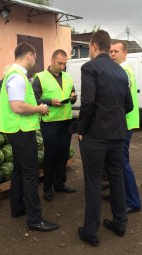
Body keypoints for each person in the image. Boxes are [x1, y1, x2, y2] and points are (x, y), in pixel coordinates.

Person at [0, 42, 59, 232]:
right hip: (21, 131)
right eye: (35, 57)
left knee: (19, 171)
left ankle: (18, 208)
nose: (35, 61)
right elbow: (17, 106)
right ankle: (35, 219)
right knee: (30, 175)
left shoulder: (15, 75)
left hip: (16, 130)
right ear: (29, 55)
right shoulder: (18, 77)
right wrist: (39, 108)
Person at [76, 30, 133, 247]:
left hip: (95, 136)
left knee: (93, 182)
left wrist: (81, 128)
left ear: (92, 46)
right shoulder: (120, 71)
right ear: (107, 47)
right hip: (117, 135)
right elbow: (128, 104)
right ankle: (120, 222)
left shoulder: (89, 67)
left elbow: (88, 102)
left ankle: (90, 232)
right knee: (116, 178)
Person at [32, 49, 77, 201]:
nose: (63, 66)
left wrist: (73, 98)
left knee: (63, 154)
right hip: (50, 123)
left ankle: (60, 184)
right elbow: (33, 100)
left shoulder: (68, 77)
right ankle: (47, 188)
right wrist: (50, 101)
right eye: (60, 63)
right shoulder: (40, 77)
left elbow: (73, 97)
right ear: (52, 60)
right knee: (50, 156)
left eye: (65, 63)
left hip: (66, 122)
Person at [109, 40, 141, 213]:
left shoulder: (123, 71)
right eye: (111, 51)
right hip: (125, 122)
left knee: (122, 162)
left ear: (124, 53)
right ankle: (119, 194)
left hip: (124, 123)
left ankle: (133, 201)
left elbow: (119, 101)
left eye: (116, 51)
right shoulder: (124, 69)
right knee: (118, 161)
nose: (112, 54)